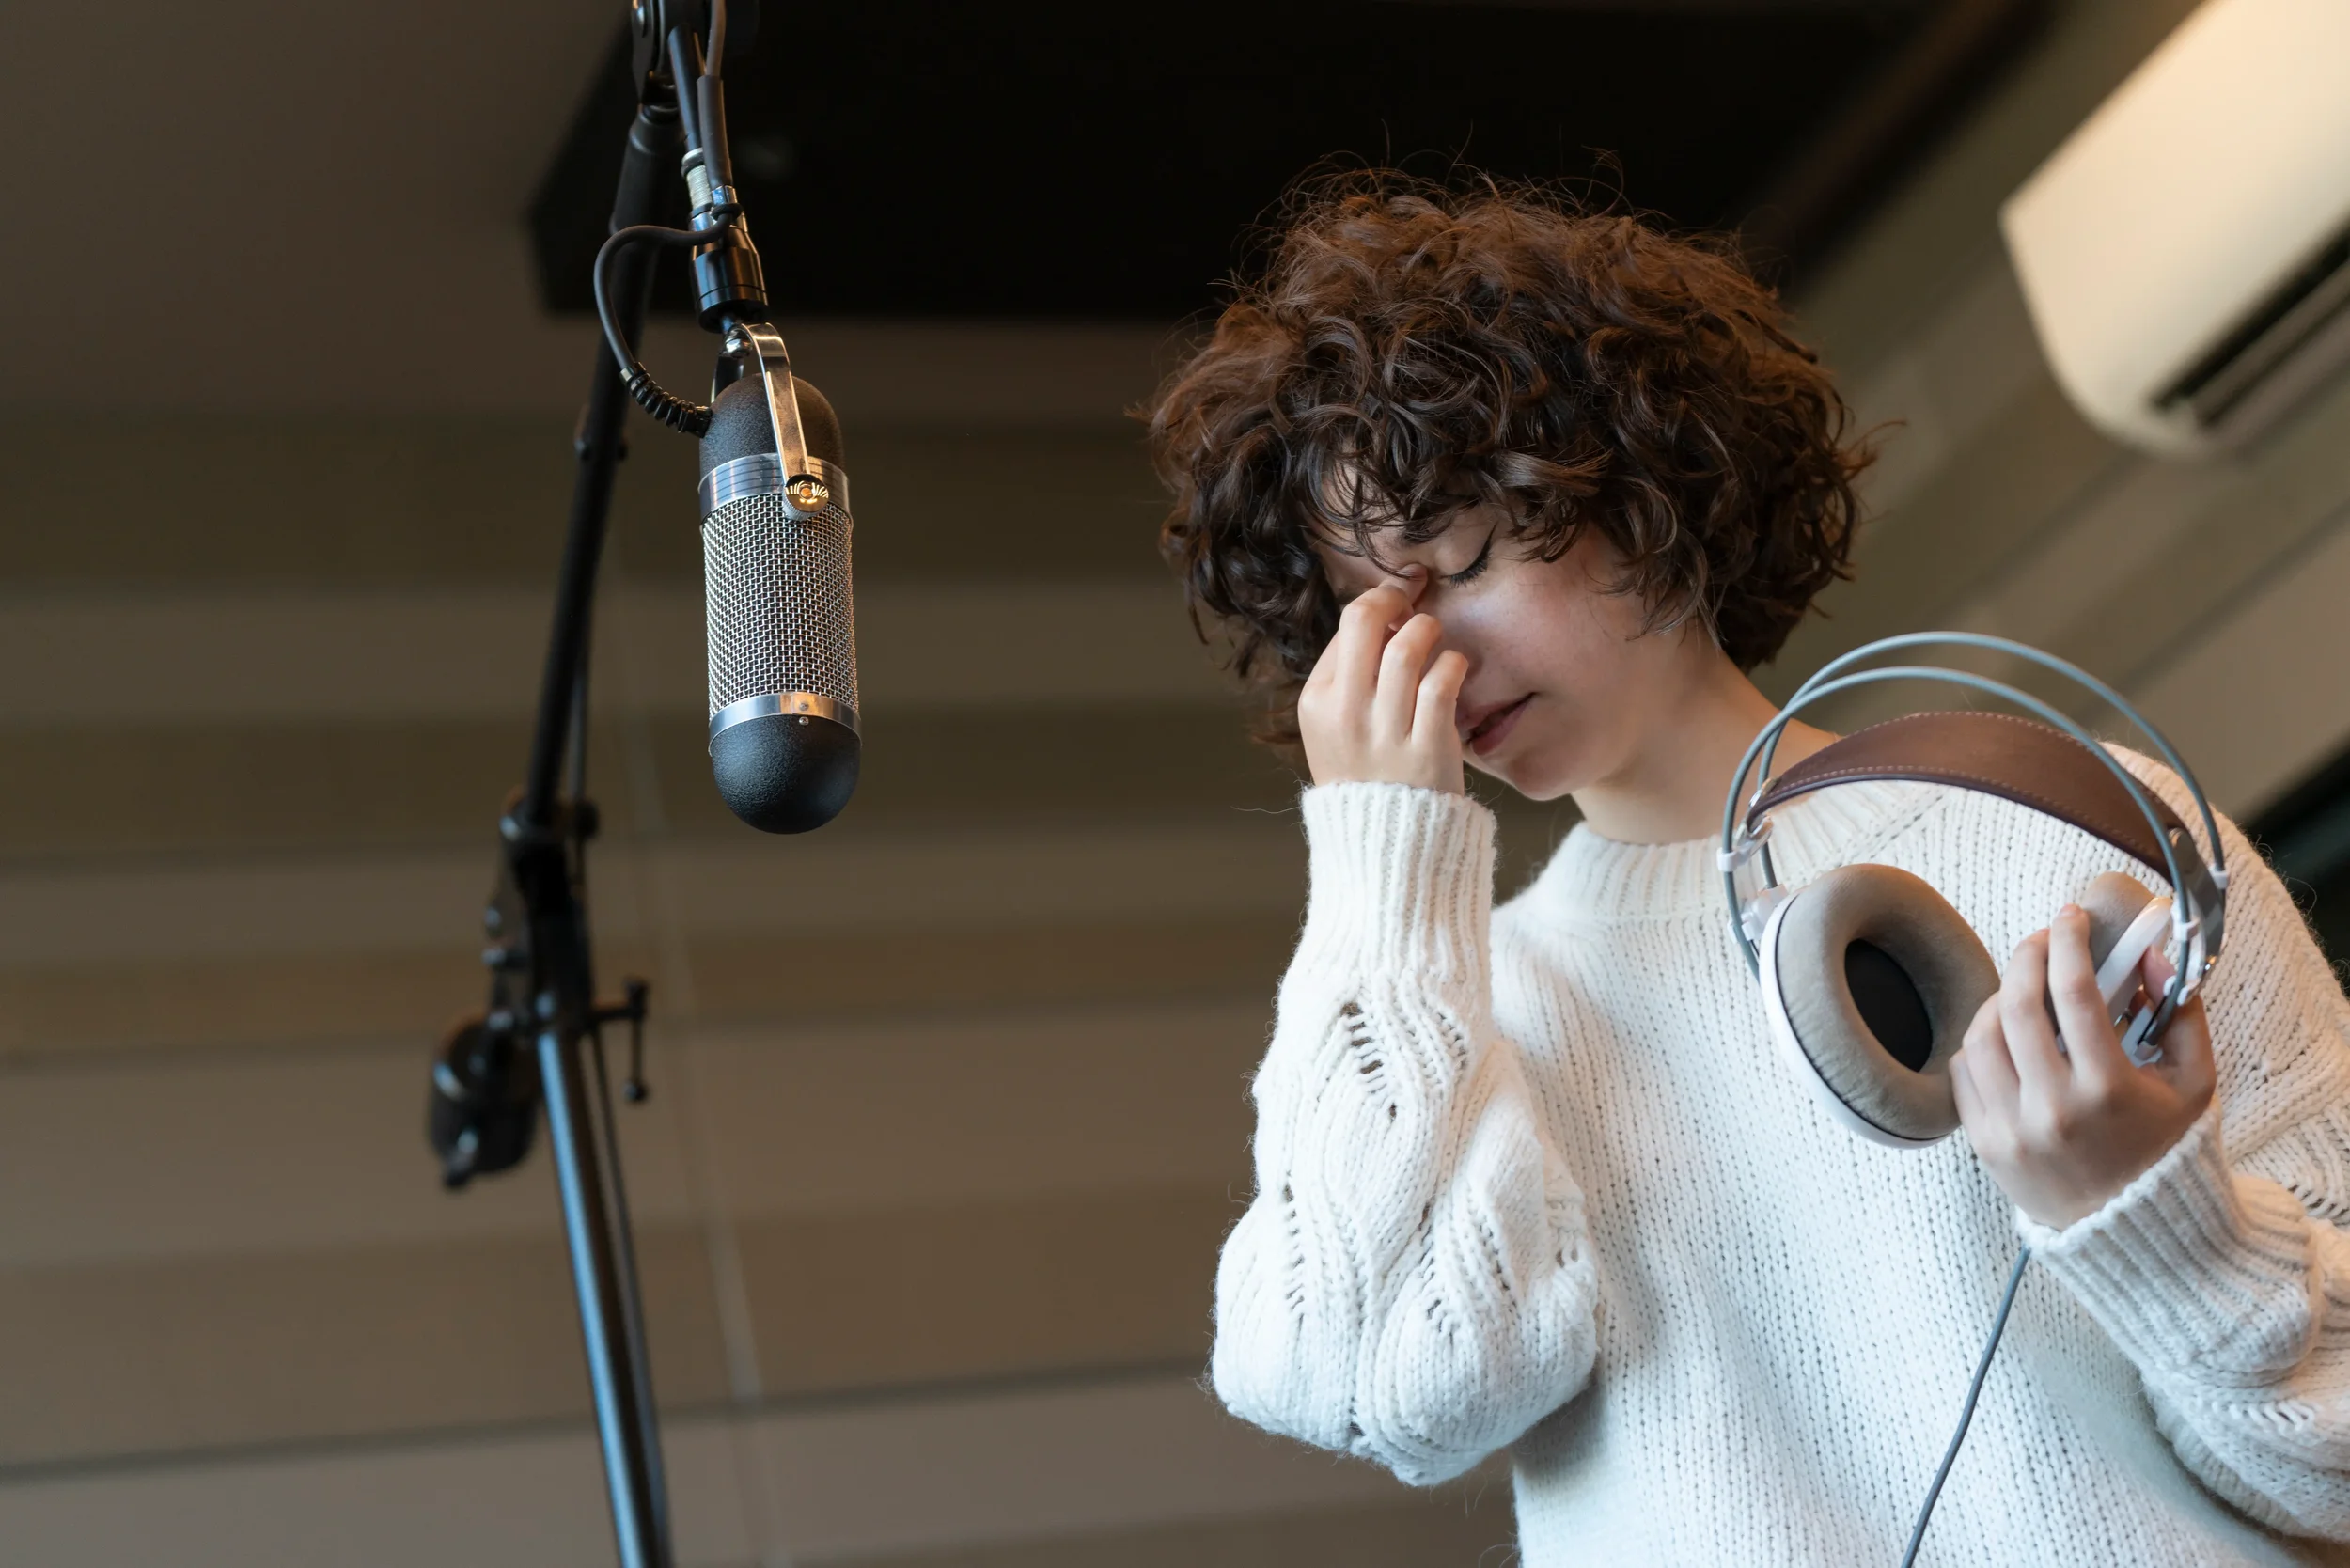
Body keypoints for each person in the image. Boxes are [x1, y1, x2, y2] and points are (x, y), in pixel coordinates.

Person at [1144, 174, 2350, 1564]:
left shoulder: (2079, 827)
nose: (1422, 662)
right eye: (1368, 618)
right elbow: (1367, 1391)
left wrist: (2163, 1226)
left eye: (1457, 562)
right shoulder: (1471, 1011)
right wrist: (1379, 870)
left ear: (1635, 487)